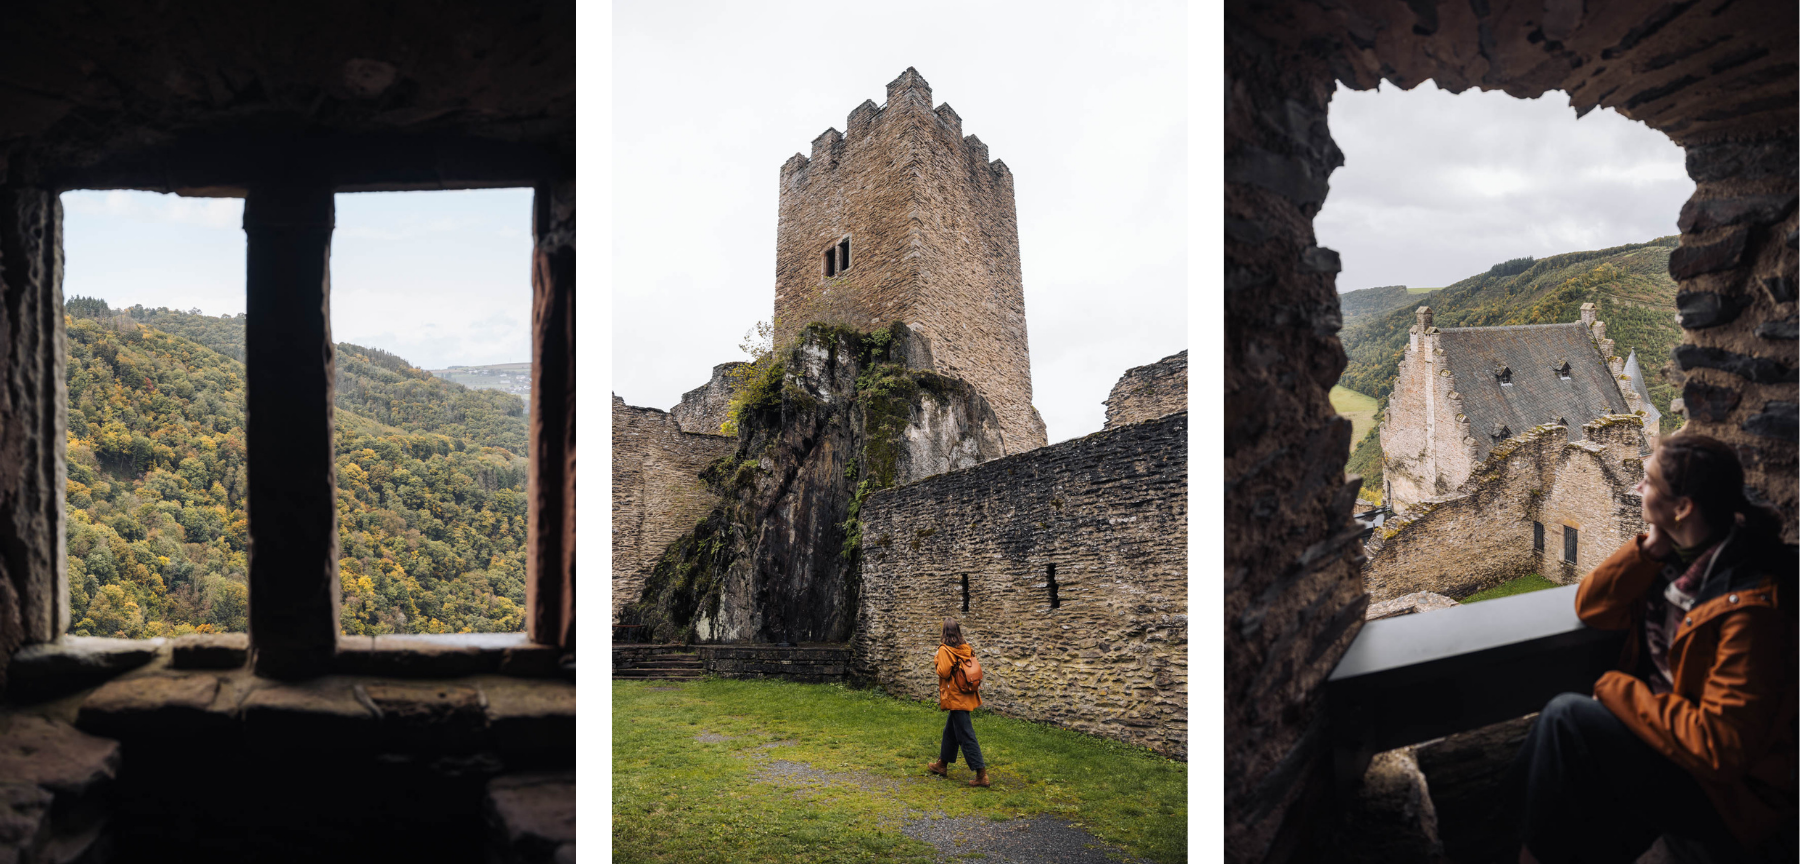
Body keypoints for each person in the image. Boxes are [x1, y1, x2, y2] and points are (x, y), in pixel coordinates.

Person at [1510, 433, 1796, 864]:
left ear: (1683, 508)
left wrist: (1615, 690)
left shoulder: (1753, 605)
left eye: (1649, 480)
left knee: (1564, 719)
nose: (1638, 487)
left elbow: (1719, 748)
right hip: (1669, 743)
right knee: (1564, 766)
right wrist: (1649, 547)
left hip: (1728, 798)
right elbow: (1591, 605)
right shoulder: (1677, 557)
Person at [925, 618, 990, 787]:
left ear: (944, 632)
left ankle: (981, 774)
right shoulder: (965, 648)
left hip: (956, 696)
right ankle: (942, 764)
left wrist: (936, 659)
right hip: (965, 694)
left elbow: (944, 672)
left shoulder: (945, 650)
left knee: (965, 734)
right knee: (950, 731)